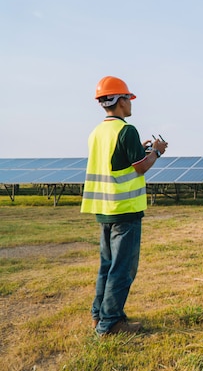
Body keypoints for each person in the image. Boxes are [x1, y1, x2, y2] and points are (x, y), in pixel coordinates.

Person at [81, 76, 168, 336]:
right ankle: (111, 324)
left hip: (105, 209)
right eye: (128, 98)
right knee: (123, 268)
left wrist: (137, 149)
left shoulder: (97, 132)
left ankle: (100, 316)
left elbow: (116, 160)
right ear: (119, 101)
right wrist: (158, 151)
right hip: (125, 210)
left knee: (107, 265)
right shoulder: (126, 130)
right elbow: (140, 167)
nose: (131, 103)